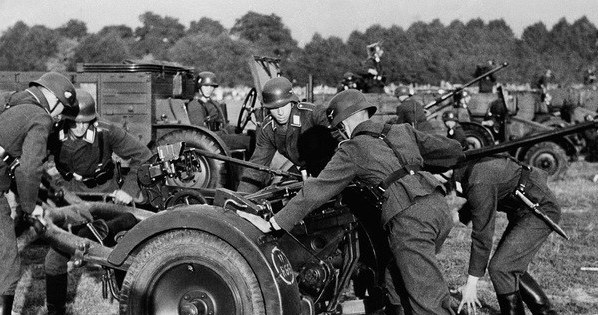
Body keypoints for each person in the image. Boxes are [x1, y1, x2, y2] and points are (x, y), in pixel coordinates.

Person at [239, 89, 464, 314]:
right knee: (395, 281)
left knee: (427, 301)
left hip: (410, 220)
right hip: (438, 207)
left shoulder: (351, 149)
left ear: (344, 124)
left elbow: (316, 191)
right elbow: (451, 151)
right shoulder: (401, 130)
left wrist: (273, 224)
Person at [44, 89, 151, 314]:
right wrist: (54, 188)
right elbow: (34, 163)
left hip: (105, 194)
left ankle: (130, 305)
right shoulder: (53, 134)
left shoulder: (107, 131)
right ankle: (56, 310)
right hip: (73, 197)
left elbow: (143, 156)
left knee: (122, 252)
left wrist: (129, 190)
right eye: (75, 123)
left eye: (87, 122)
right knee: (55, 258)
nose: (81, 128)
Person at [0, 72, 80, 314]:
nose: (59, 117)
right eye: (62, 109)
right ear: (53, 99)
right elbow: (29, 168)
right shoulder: (40, 117)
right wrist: (29, 206)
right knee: (7, 261)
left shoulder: (10, 103)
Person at [453, 155, 561, 315]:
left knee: (502, 268)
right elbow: (476, 202)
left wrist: (471, 285)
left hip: (540, 209)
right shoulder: (469, 168)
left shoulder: (478, 179)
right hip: (523, 211)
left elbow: (482, 235)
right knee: (509, 266)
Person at [236, 77, 331, 193]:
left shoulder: (312, 114)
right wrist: (241, 199)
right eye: (274, 108)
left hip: (332, 169)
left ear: (291, 102)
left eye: (283, 106)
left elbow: (340, 142)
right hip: (306, 173)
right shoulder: (268, 129)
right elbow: (257, 167)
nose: (280, 113)